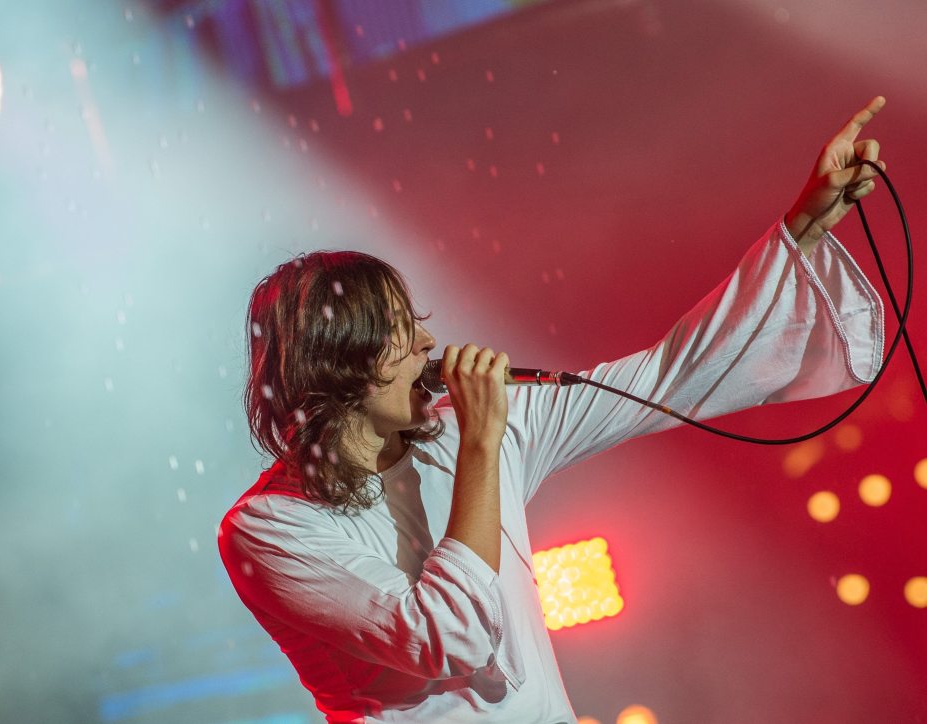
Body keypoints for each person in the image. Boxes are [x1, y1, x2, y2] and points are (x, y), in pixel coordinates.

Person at [218, 98, 888, 722]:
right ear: (342, 361)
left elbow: (664, 376)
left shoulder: (463, 429)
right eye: (400, 329)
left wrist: (802, 223)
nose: (429, 340)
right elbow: (444, 636)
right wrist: (482, 443)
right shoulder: (269, 529)